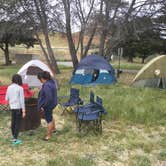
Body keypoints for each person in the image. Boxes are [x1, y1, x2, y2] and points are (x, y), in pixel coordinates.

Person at [5, 74, 26, 145]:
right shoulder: (20, 88)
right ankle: (15, 139)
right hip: (18, 108)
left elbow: (6, 98)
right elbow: (22, 100)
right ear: (19, 80)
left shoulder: (9, 87)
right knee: (17, 124)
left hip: (12, 107)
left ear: (13, 80)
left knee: (13, 123)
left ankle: (13, 137)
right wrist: (23, 111)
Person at [37, 71, 57, 141]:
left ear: (42, 78)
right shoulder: (52, 82)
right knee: (50, 116)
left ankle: (48, 136)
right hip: (53, 103)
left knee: (48, 119)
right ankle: (54, 129)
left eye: (40, 79)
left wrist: (43, 106)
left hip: (48, 105)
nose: (40, 81)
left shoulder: (46, 85)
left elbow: (49, 97)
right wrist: (42, 89)